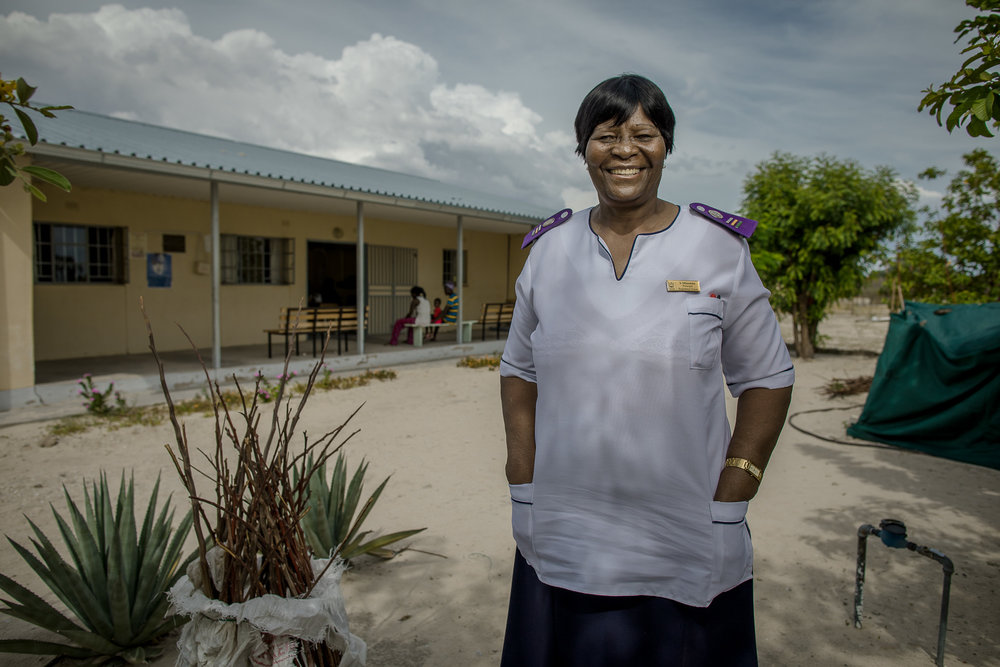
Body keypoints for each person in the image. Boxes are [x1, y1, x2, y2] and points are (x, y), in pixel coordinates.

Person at [498, 74, 794, 666]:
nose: (624, 150)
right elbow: (519, 373)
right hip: (567, 531)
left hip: (686, 532)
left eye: (643, 134)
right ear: (583, 149)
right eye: (606, 136)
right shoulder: (548, 253)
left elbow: (767, 378)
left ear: (666, 146)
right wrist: (523, 484)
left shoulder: (718, 248)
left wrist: (734, 493)